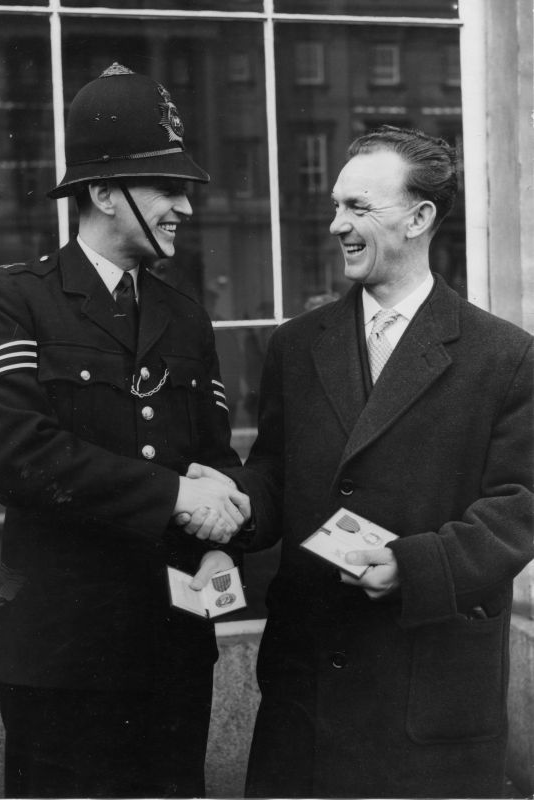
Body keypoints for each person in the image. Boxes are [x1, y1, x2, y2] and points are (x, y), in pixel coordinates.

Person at [182, 126, 534, 798]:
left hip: (424, 692)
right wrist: (231, 499)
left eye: (359, 208)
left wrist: (417, 564)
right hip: (307, 688)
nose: (338, 225)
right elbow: (279, 471)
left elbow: (519, 506)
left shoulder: (503, 356)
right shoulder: (296, 345)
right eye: (336, 207)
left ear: (420, 217)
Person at [0, 63, 250, 799]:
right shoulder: (12, 301)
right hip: (60, 659)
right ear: (102, 193)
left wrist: (229, 500)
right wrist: (173, 495)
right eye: (165, 190)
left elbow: (214, 457)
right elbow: (13, 456)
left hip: (170, 651)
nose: (182, 211)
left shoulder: (184, 315)